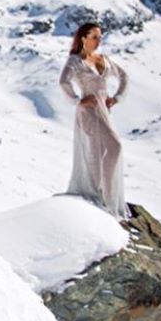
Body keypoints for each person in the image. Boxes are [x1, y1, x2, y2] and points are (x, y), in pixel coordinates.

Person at [58, 23, 131, 219]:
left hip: (104, 110)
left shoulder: (103, 59)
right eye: (95, 37)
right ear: (84, 38)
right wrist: (78, 100)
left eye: (100, 37)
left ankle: (106, 195)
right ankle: (101, 195)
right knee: (109, 147)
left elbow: (124, 77)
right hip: (89, 112)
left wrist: (116, 98)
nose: (99, 41)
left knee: (107, 149)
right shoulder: (75, 61)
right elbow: (63, 81)